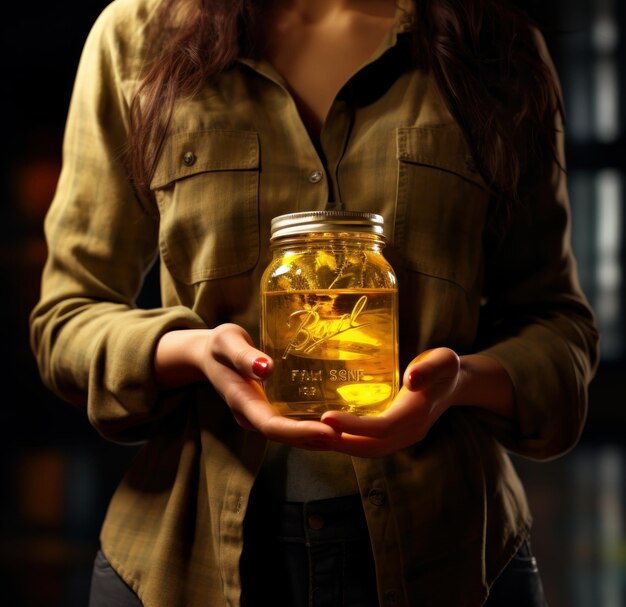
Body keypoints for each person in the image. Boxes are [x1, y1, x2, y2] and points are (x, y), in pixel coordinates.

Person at [29, 0, 599, 605]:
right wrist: (194, 353)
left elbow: (558, 325)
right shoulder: (136, 35)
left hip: (450, 555)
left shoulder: (496, 44)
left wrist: (458, 385)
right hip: (182, 559)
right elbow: (66, 319)